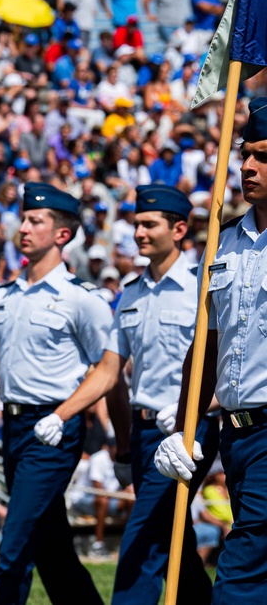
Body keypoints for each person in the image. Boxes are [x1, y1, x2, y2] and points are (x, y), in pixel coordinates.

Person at [35, 185, 216, 601]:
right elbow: (110, 371)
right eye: (137, 224)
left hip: (189, 428)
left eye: (150, 224)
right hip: (144, 431)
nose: (139, 233)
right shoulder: (131, 293)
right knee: (175, 542)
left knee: (143, 537)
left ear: (180, 229)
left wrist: (194, 405)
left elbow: (219, 363)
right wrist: (62, 414)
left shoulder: (200, 286)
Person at [0, 183, 112, 605]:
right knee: (51, 548)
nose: (22, 227)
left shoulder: (83, 299)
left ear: (62, 234)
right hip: (15, 426)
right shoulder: (5, 296)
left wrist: (63, 415)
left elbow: (108, 369)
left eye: (34, 220)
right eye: (23, 218)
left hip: (54, 430)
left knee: (16, 545)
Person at [154, 98, 267, 601]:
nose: (247, 165)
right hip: (234, 436)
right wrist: (184, 429)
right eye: (245, 153)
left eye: (262, 155)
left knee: (238, 577)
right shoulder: (225, 239)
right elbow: (207, 342)